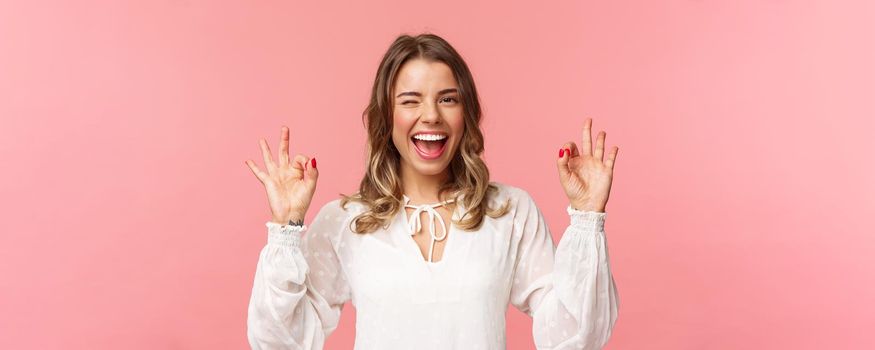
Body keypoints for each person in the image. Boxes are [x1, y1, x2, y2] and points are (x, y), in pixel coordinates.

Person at [244, 33, 620, 350]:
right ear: (386, 116)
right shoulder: (346, 222)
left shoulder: (509, 211)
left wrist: (587, 215)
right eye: (410, 101)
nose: (431, 115)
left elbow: (574, 339)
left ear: (465, 113)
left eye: (448, 99)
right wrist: (286, 226)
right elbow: (281, 342)